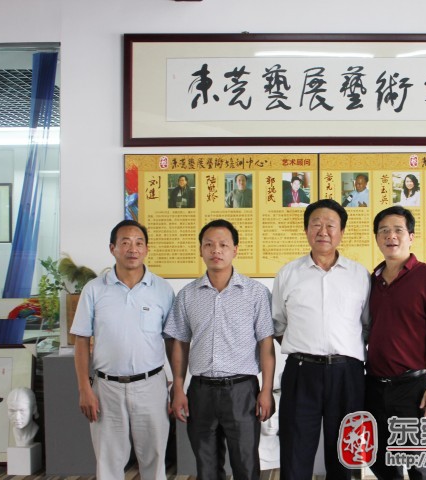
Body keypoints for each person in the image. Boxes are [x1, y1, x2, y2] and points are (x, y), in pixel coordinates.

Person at [165, 219, 275, 480]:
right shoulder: (187, 295)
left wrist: (266, 390)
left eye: (223, 245)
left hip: (242, 391)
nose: (216, 250)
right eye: (209, 245)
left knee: (246, 465)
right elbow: (180, 342)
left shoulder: (256, 293)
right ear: (200, 250)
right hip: (201, 391)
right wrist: (178, 388)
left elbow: (266, 344)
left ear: (235, 249)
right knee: (206, 467)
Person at [272, 199, 370, 480]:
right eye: (316, 224)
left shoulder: (360, 275)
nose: (323, 231)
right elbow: (278, 324)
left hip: (347, 374)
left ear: (341, 232)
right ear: (306, 230)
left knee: (344, 452)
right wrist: (307, 348)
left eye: (330, 225)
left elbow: (366, 325)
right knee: (295, 449)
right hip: (301, 372)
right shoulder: (288, 274)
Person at [71, 219, 175, 480]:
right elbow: (81, 341)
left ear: (147, 249)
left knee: (154, 460)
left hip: (151, 385)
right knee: (108, 463)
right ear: (112, 248)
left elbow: (172, 341)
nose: (133, 249)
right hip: (106, 388)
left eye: (139, 243)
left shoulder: (162, 289)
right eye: (125, 242)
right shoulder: (94, 290)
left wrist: (178, 384)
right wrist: (84, 388)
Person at [366, 206, 426, 480]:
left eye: (398, 230)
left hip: (413, 387)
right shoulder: (372, 280)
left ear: (411, 237)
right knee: (381, 460)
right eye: (383, 231)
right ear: (376, 238)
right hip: (374, 386)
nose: (390, 236)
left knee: (419, 465)